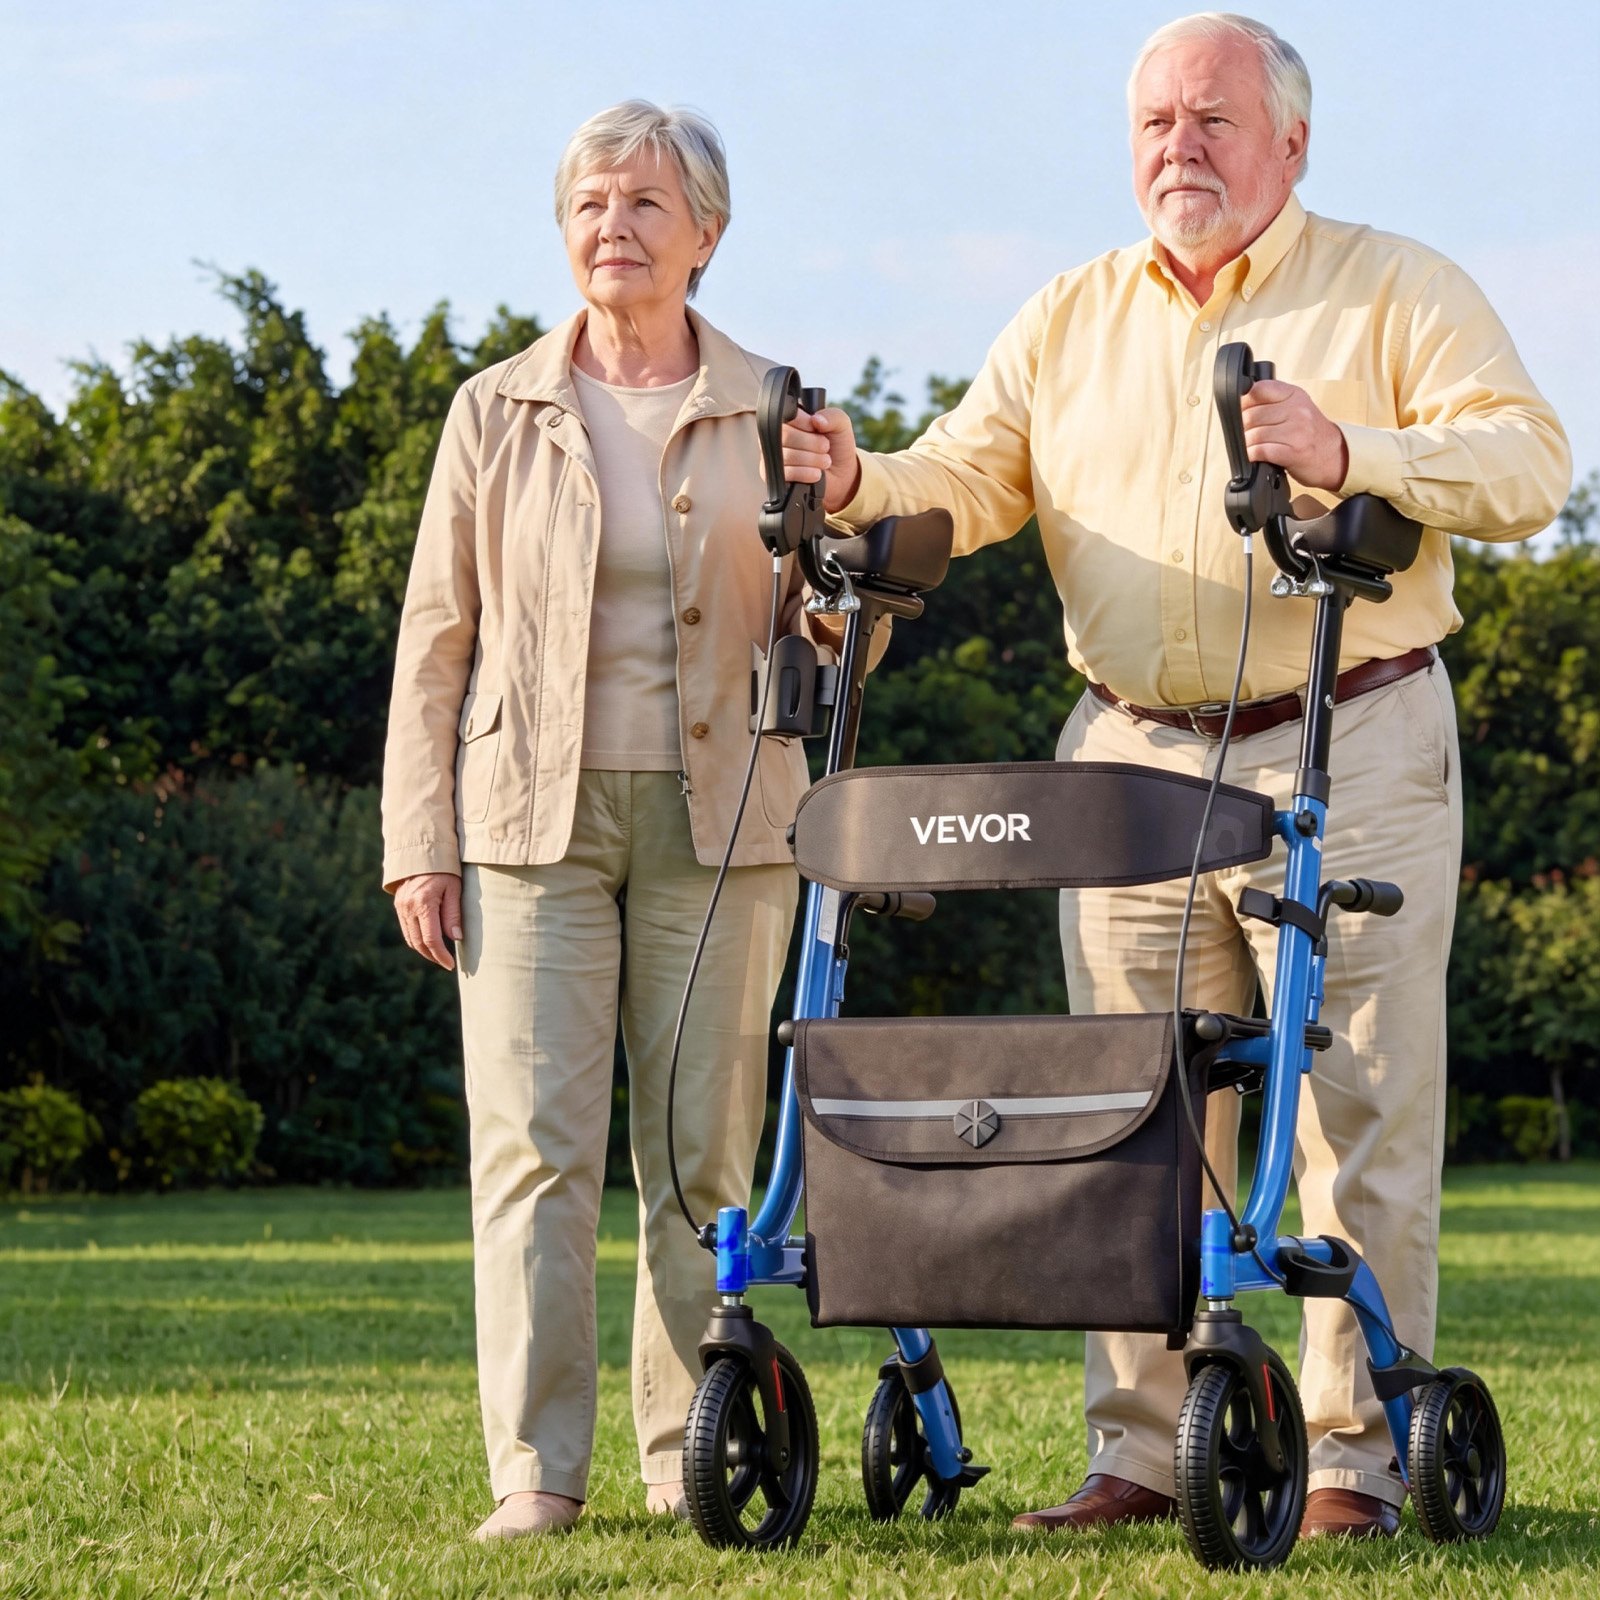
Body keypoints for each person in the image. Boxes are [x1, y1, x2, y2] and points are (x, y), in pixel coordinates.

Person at [783, 12, 1569, 1541]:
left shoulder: (1397, 283)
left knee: (1358, 1107)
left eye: (1211, 120)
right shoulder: (1069, 314)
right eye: (1154, 122)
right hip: (1130, 754)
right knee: (1130, 1114)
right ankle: (1148, 1448)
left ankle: (1351, 1456)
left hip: (1352, 730)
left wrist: (1356, 446)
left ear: (1291, 140)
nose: (1179, 147)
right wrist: (857, 478)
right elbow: (966, 476)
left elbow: (1531, 461)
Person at [382, 100, 834, 1540]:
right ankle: (538, 1474)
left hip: (730, 825)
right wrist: (418, 838)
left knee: (704, 1161)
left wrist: (838, 548)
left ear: (706, 234)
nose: (613, 227)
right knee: (533, 1150)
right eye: (589, 202)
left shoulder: (782, 405)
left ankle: (680, 1453)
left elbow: (846, 642)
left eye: (646, 204)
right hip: (527, 822)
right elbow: (435, 641)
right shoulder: (492, 409)